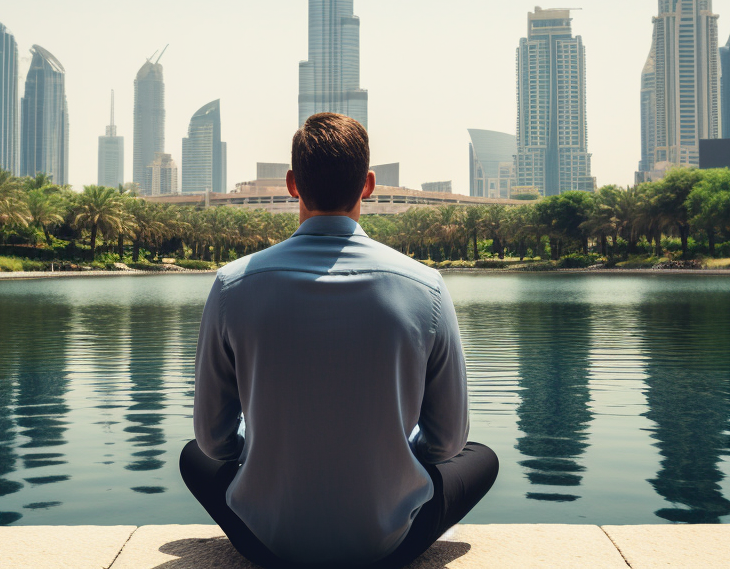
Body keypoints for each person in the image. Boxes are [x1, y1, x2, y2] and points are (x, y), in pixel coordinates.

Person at [182, 112, 498, 568]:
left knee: (193, 456)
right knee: (480, 456)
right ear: (368, 185)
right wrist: (395, 455)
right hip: (386, 547)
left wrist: (261, 449)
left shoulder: (232, 285)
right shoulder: (426, 286)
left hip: (267, 545)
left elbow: (214, 444)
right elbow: (447, 444)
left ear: (292, 184)